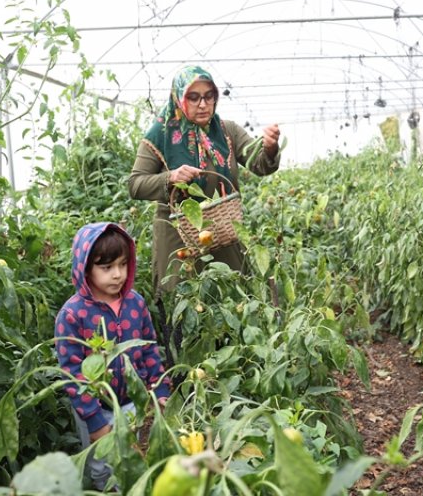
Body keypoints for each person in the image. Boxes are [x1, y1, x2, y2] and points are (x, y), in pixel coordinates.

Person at [128, 66, 282, 332]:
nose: (203, 104)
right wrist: (170, 178)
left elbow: (260, 165)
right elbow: (135, 184)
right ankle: (180, 364)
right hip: (177, 233)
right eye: (193, 97)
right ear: (179, 97)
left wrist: (269, 147)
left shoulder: (227, 132)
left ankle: (233, 361)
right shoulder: (160, 135)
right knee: (179, 297)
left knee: (233, 294)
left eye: (209, 96)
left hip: (221, 230)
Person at [54, 222, 171, 490]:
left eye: (123, 264)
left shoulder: (135, 302)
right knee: (101, 468)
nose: (117, 274)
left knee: (137, 461)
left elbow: (150, 349)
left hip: (134, 404)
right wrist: (94, 420)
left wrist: (160, 390)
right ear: (85, 268)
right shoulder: (72, 315)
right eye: (106, 268)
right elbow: (73, 374)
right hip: (95, 408)